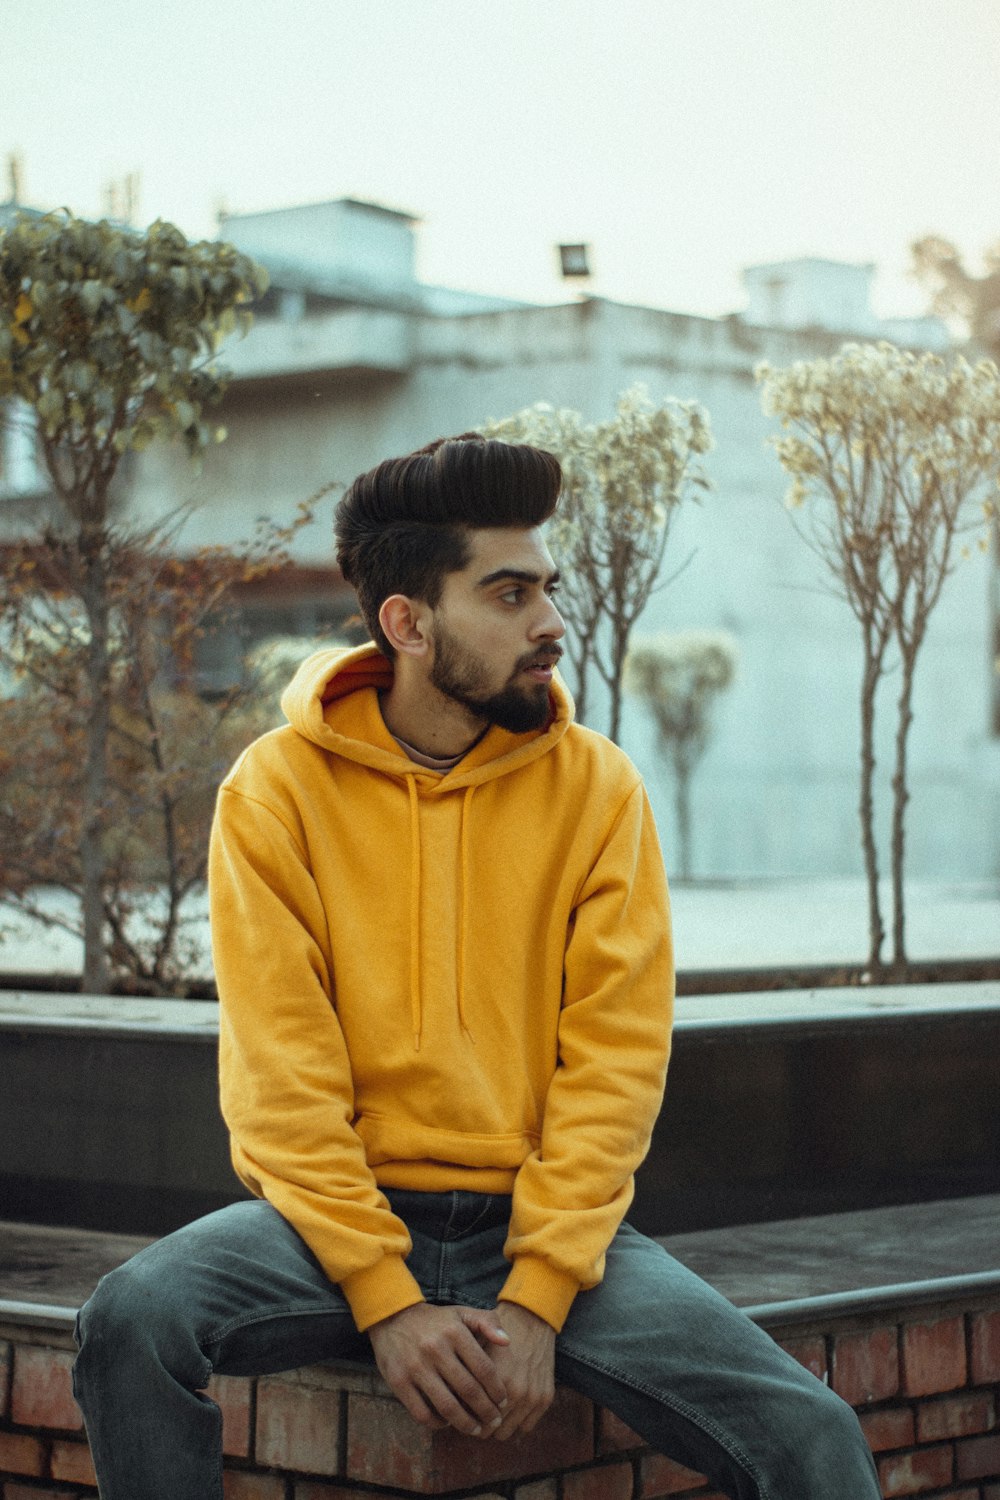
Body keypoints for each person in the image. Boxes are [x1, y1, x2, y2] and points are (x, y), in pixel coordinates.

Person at [73, 434, 880, 1499]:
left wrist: (541, 1296)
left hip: (536, 1227)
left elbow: (613, 1066)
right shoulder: (274, 792)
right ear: (407, 622)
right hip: (328, 1226)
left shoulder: (598, 790)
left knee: (813, 1436)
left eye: (546, 587)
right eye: (508, 594)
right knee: (128, 1322)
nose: (550, 621)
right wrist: (386, 1298)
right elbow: (280, 1076)